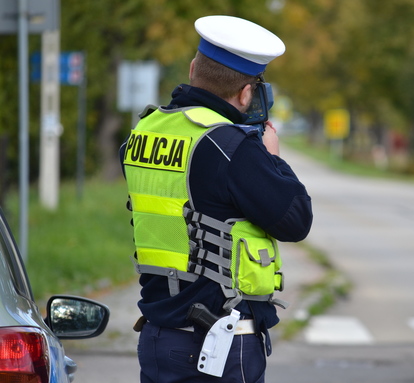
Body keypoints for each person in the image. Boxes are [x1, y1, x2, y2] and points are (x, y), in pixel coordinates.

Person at [119, 15, 313, 383]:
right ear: (246, 94)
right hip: (218, 347)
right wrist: (272, 159)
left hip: (157, 337)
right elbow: (296, 219)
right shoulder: (232, 148)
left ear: (193, 69)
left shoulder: (142, 133)